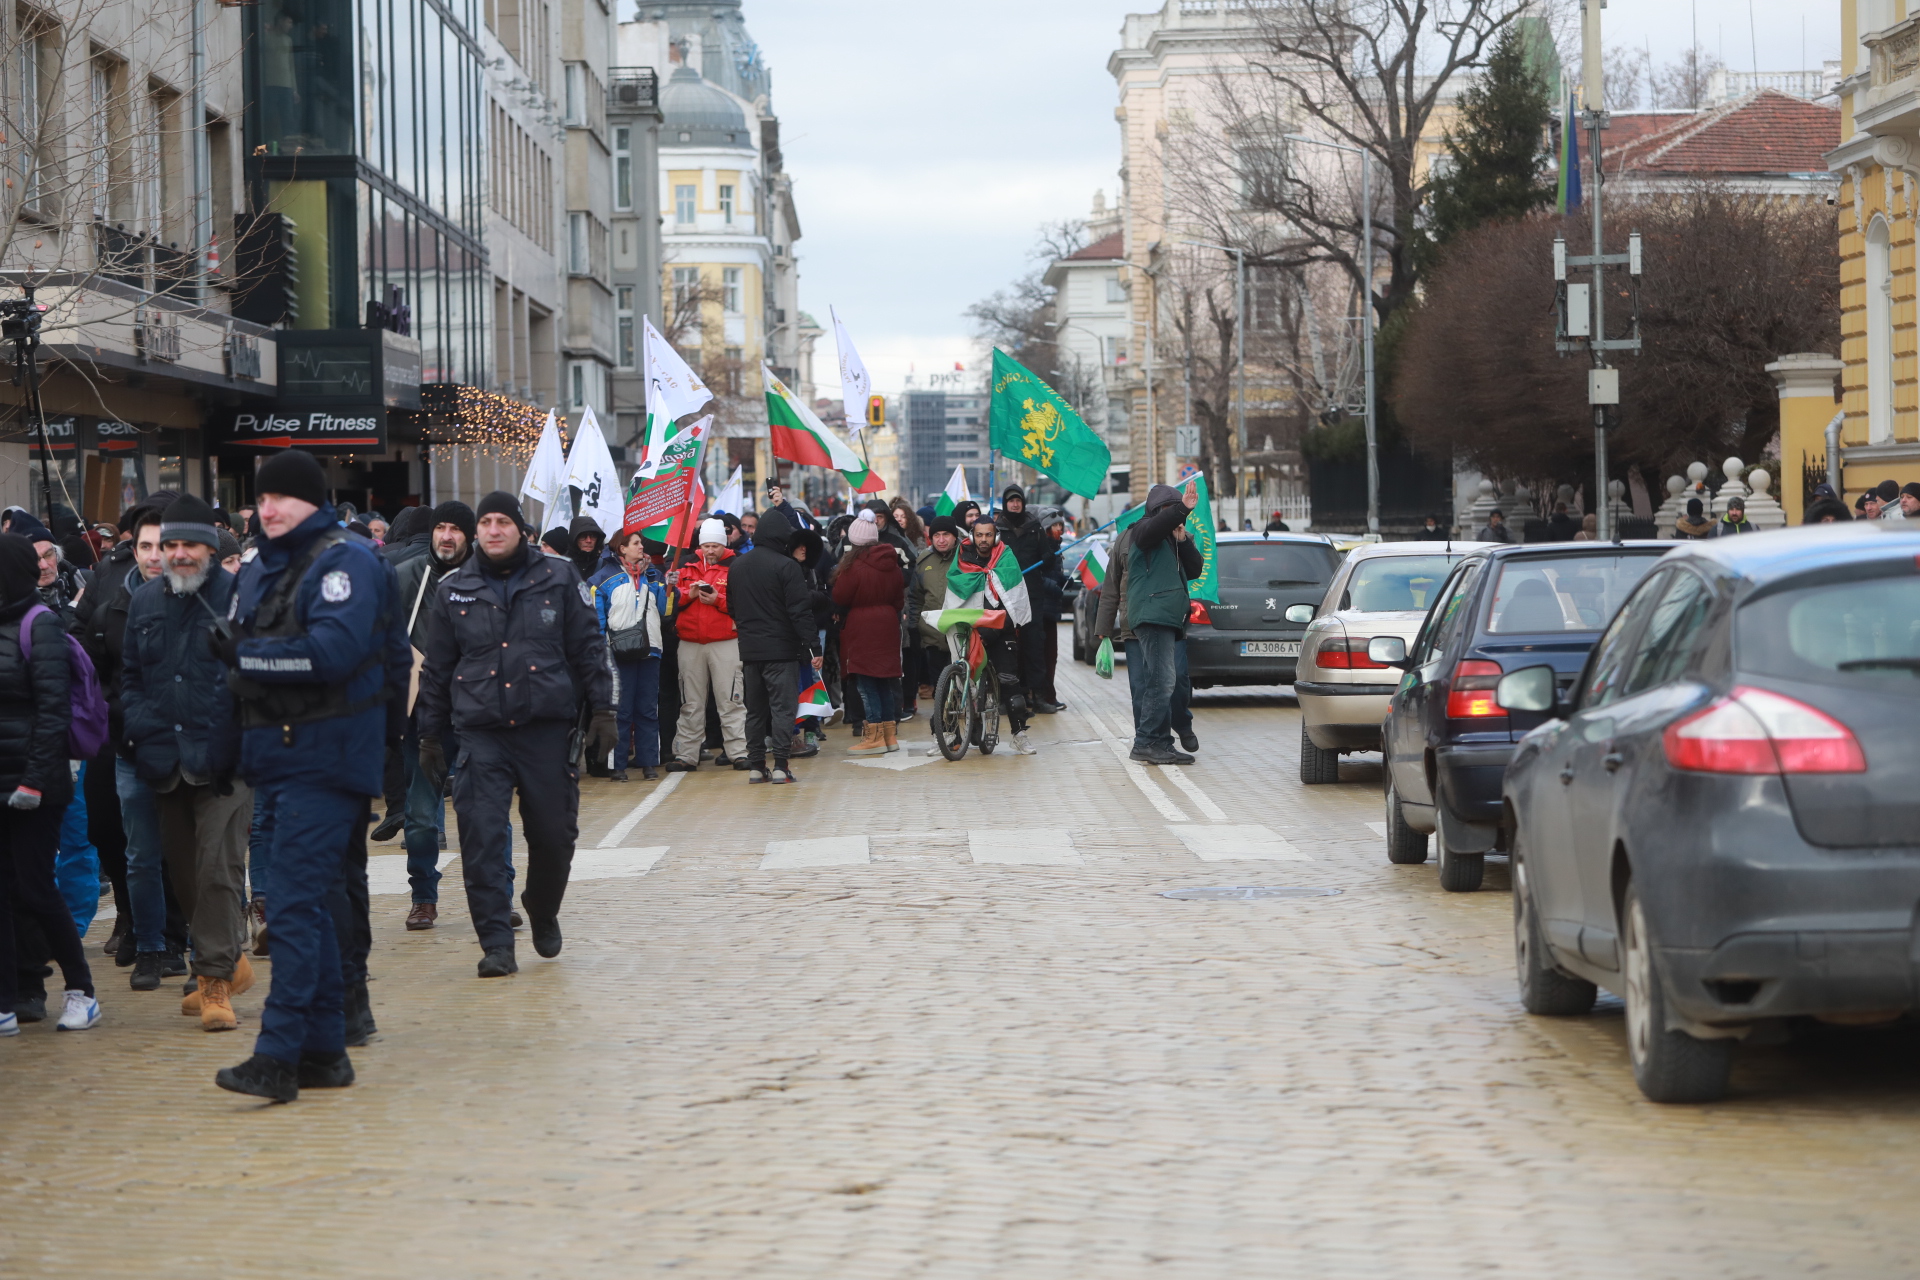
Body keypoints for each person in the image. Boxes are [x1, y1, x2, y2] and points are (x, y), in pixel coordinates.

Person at [212, 447, 406, 1102]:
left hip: (326, 757)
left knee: (292, 908)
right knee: (312, 908)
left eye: (282, 498)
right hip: (284, 755)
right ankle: (324, 1051)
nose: (267, 509)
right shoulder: (273, 564)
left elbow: (333, 653)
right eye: (261, 499)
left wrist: (249, 659)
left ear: (314, 502)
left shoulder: (343, 560)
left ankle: (279, 1054)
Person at [415, 492, 614, 980]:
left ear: (520, 529)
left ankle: (542, 906)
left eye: (503, 521)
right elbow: (437, 669)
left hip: (545, 729)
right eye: (485, 521)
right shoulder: (454, 589)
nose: (493, 529)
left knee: (555, 835)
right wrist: (430, 735)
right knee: (480, 838)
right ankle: (496, 944)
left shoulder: (559, 576)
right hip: (480, 734)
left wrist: (604, 711)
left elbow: (589, 647)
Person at [121, 495, 253, 1033]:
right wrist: (139, 726)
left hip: (228, 761)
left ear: (211, 545)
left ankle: (215, 982)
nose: (177, 553)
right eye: (169, 544)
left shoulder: (243, 599)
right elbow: (130, 676)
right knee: (185, 876)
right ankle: (228, 961)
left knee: (218, 867)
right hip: (164, 759)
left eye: (188, 544)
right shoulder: (146, 602)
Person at [77, 504, 182, 986]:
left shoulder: (196, 603)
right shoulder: (110, 605)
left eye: (162, 546)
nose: (154, 556)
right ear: (132, 549)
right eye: (144, 546)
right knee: (136, 850)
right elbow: (94, 673)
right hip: (128, 747)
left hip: (186, 749)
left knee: (182, 852)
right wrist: (117, 719)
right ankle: (148, 942)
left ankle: (182, 940)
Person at [0, 533, 98, 1036]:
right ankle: (7, 1002)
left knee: (38, 889)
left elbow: (53, 711)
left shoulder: (42, 626)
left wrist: (35, 782)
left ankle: (81, 989)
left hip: (37, 787)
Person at [388, 500, 474, 930]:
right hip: (422, 722)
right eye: (440, 527)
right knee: (420, 819)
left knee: (487, 816)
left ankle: (498, 893)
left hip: (479, 719)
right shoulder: (406, 578)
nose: (446, 535)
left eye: (455, 529)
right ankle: (423, 894)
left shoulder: (490, 579)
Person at [725, 508, 821, 783]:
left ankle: (756, 766)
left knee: (755, 711)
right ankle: (780, 765)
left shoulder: (738, 565)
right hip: (782, 651)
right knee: (782, 709)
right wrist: (815, 648)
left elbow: (731, 606)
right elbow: (800, 611)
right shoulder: (787, 566)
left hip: (750, 651)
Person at [1094, 520, 1199, 755]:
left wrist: (1182, 542)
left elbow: (1193, 571)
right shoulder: (1126, 538)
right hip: (1133, 624)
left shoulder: (1181, 537)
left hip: (1170, 623)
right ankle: (1151, 741)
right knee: (1142, 687)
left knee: (1177, 680)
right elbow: (1111, 585)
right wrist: (1104, 627)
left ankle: (1181, 725)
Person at [1125, 483, 1203, 766]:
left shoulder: (1172, 539)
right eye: (1168, 510)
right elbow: (1154, 527)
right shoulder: (1142, 530)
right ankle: (1145, 742)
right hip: (1152, 614)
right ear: (1157, 512)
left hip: (1166, 616)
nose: (1175, 517)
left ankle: (1161, 743)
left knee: (1161, 682)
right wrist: (1181, 509)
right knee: (1162, 681)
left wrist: (1183, 540)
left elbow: (1195, 569)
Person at [948, 515, 1036, 755]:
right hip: (970, 626)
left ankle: (1019, 734)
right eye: (979, 535)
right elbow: (955, 590)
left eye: (988, 534)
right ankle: (949, 734)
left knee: (1010, 682)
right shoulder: (962, 557)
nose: (983, 539)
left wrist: (997, 626)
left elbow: (1013, 599)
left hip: (1001, 626)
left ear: (995, 535)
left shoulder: (1006, 558)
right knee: (957, 681)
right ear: (972, 535)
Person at [667, 520, 747, 772]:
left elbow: (745, 602)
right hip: (690, 641)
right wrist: (687, 595)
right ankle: (686, 754)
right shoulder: (684, 564)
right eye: (706, 545)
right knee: (690, 701)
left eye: (715, 545)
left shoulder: (737, 566)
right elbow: (668, 601)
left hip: (725, 641)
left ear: (724, 544)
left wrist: (717, 600)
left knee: (731, 700)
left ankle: (738, 752)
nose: (710, 551)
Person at [596, 531, 666, 782]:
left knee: (647, 709)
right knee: (621, 711)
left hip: (650, 650)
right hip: (618, 653)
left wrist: (667, 587)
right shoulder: (602, 579)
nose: (641, 547)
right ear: (622, 548)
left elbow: (662, 610)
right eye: (636, 543)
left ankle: (648, 763)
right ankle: (618, 766)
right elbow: (597, 621)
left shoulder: (653, 575)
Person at [834, 512, 906, 756]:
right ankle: (889, 735)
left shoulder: (853, 567)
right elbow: (899, 600)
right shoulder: (892, 563)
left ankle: (873, 736)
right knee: (885, 682)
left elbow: (840, 597)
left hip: (862, 628)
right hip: (887, 626)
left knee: (866, 683)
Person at [995, 486, 1058, 715]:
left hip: (1032, 594)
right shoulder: (997, 529)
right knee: (1006, 647)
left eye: (1018, 501)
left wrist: (1050, 552)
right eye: (1010, 501)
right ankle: (1008, 697)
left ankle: (1038, 696)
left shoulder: (1034, 528)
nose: (1014, 505)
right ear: (1005, 503)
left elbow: (1047, 562)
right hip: (1006, 594)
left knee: (1034, 646)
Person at [910, 516, 963, 700]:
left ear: (954, 537)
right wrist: (914, 624)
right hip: (932, 634)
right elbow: (915, 597)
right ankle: (943, 716)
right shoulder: (923, 561)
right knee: (939, 682)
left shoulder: (967, 559)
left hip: (961, 632)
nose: (941, 540)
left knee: (961, 681)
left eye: (946, 535)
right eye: (937, 535)